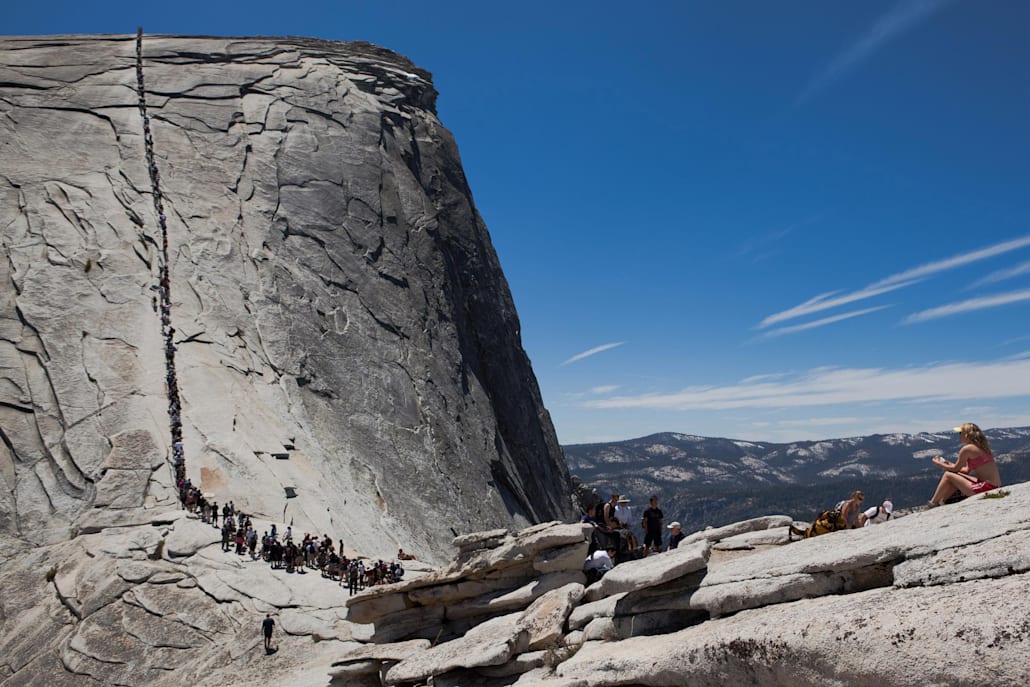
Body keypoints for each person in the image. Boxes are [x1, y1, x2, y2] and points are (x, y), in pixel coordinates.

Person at [929, 423, 1002, 506]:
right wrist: (948, 464)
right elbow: (966, 470)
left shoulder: (967, 449)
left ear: (966, 435)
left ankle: (933, 503)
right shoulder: (981, 447)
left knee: (948, 475)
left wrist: (939, 464)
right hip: (994, 486)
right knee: (953, 476)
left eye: (961, 433)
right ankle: (942, 501)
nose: (959, 435)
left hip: (986, 488)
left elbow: (955, 469)